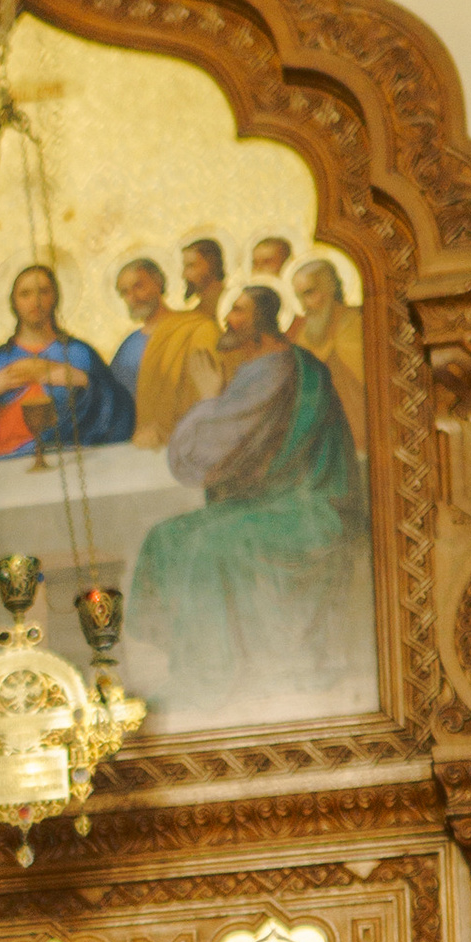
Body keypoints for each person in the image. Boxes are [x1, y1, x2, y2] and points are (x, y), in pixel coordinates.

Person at [129, 282, 372, 716]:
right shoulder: (259, 369)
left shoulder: (278, 369)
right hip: (270, 502)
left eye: (238, 312)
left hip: (308, 509)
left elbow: (206, 454)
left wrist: (208, 397)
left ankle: (207, 678)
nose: (228, 320)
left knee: (205, 546)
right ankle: (189, 663)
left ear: (262, 319)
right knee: (166, 537)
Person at [0, 264, 132, 460]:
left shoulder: (79, 354)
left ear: (55, 297)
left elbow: (120, 413)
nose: (35, 301)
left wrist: (83, 380)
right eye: (25, 294)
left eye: (43, 292)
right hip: (4, 469)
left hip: (71, 461)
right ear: (14, 302)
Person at [110, 254, 221, 448]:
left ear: (158, 283)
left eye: (139, 286)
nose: (133, 297)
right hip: (137, 443)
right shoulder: (128, 345)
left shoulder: (197, 329)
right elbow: (116, 401)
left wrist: (167, 430)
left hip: (187, 440)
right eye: (125, 292)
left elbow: (210, 389)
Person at [291, 256, 367, 454]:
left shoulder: (354, 323)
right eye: (299, 296)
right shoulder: (303, 333)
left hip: (354, 433)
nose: (304, 305)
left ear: (331, 287)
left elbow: (366, 382)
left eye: (309, 293)